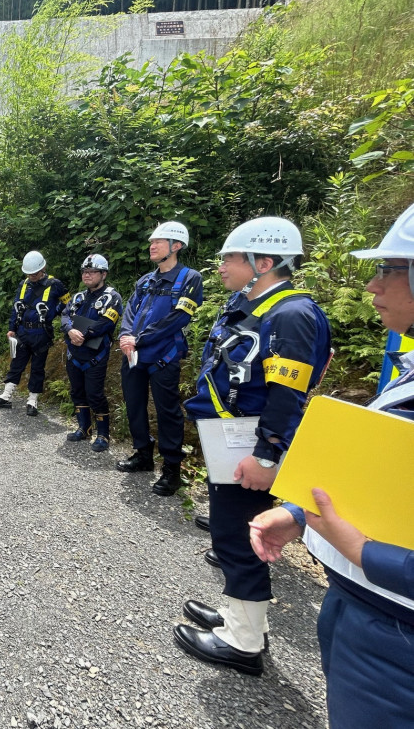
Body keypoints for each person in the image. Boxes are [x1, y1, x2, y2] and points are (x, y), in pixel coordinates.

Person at [249, 204, 414, 723]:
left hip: (395, 629)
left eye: (390, 269)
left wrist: (369, 555)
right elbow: (387, 477)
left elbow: (286, 387)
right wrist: (301, 516)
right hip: (362, 601)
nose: (372, 285)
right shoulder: (408, 369)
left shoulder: (292, 313)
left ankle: (243, 630)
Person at [173, 218, 331, 676]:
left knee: (239, 535)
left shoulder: (291, 314)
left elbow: (287, 394)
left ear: (263, 262)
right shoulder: (252, 304)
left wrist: (266, 455)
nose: (221, 266)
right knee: (229, 530)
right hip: (230, 438)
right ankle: (242, 618)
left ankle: (242, 643)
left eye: (230, 258)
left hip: (252, 445)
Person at [116, 221, 203, 496]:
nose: (152, 246)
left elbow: (179, 317)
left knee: (168, 412)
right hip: (133, 355)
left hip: (164, 356)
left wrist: (139, 339)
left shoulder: (189, 278)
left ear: (176, 246)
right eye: (151, 242)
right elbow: (130, 310)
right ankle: (143, 454)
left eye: (158, 242)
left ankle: (171, 469)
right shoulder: (145, 280)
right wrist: (126, 336)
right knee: (134, 405)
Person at [0, 251, 70, 416]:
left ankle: (32, 401)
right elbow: (16, 307)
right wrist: (12, 328)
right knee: (16, 363)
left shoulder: (55, 284)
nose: (32, 276)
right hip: (23, 331)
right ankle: (6, 396)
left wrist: (53, 312)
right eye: (29, 273)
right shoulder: (23, 284)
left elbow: (68, 303)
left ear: (43, 269)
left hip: (41, 332)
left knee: (38, 367)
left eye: (35, 273)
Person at [60, 254, 123, 452]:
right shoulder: (78, 297)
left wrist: (83, 335)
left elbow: (106, 323)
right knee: (77, 392)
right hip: (74, 354)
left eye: (92, 272)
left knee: (95, 394)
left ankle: (103, 434)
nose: (87, 275)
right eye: (84, 272)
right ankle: (84, 428)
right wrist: (70, 330)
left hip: (96, 356)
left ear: (104, 274)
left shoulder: (112, 297)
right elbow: (65, 316)